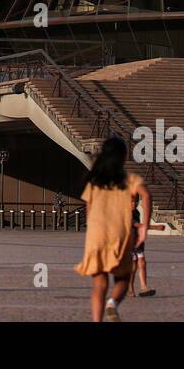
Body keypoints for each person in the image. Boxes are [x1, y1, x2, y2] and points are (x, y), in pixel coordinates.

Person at [74, 136, 151, 322]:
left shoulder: (95, 182)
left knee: (99, 284)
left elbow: (89, 211)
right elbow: (146, 196)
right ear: (123, 157)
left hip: (96, 235)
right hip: (119, 234)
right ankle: (112, 304)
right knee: (123, 279)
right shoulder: (129, 179)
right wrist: (144, 227)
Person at [128, 196, 155, 298]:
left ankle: (144, 287)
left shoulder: (137, 212)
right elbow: (135, 224)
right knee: (133, 265)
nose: (134, 204)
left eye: (135, 202)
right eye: (131, 202)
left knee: (142, 262)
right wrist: (155, 227)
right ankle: (130, 288)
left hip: (138, 240)